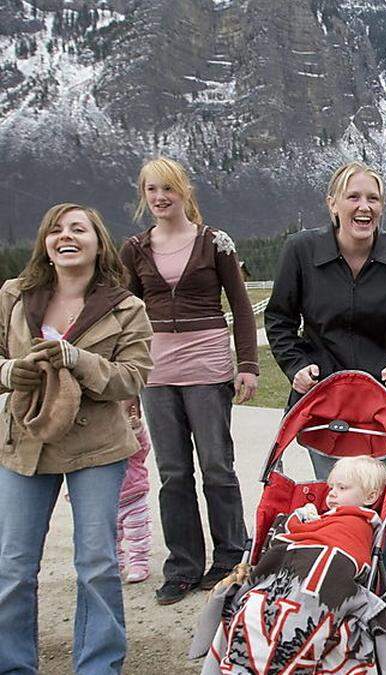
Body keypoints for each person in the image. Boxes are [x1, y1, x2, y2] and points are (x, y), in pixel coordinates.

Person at [265, 161, 386, 594]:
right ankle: (331, 598)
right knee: (335, 501)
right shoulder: (301, 251)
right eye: (354, 197)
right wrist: (294, 365)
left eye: (373, 198)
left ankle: (379, 601)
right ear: (333, 204)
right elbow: (280, 320)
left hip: (381, 407)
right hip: (324, 405)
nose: (364, 207)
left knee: (377, 508)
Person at [0, 203, 153, 674]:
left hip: (97, 449)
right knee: (13, 566)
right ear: (45, 243)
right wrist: (12, 371)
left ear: (97, 241)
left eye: (78, 229)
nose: (66, 237)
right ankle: (13, 665)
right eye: (55, 230)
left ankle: (99, 666)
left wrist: (77, 359)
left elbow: (134, 377)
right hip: (26, 443)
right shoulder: (12, 296)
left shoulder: (127, 307)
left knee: (98, 564)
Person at [119, 156, 260, 606]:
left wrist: (248, 365)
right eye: (151, 190)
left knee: (217, 467)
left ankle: (230, 559)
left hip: (208, 367)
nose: (160, 198)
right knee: (173, 472)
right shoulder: (134, 249)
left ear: (185, 192)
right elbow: (126, 317)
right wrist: (127, 381)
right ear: (144, 196)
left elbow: (240, 306)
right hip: (156, 373)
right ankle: (182, 567)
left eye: (168, 189)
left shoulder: (215, 243)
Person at [202, 456, 386, 675]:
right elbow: (301, 540)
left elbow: (337, 550)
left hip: (323, 581)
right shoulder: (326, 519)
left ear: (370, 496)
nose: (332, 493)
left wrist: (295, 521)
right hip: (292, 573)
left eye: (342, 488)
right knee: (251, 608)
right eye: (331, 487)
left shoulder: (359, 523)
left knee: (276, 613)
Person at [116, 406, 154, 584]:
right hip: (108, 501)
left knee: (138, 535)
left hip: (134, 497)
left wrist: (137, 429)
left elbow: (143, 448)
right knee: (109, 536)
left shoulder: (129, 442)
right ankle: (114, 564)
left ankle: (139, 563)